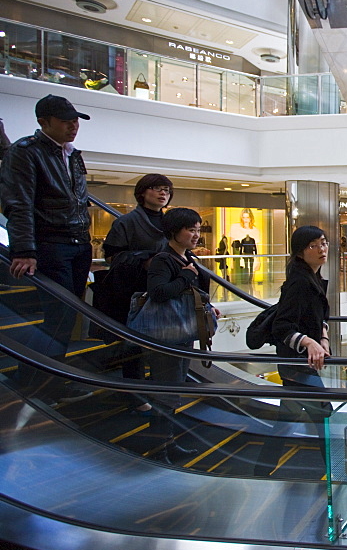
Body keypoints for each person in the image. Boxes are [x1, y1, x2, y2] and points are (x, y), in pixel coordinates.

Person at [0, 95, 94, 401]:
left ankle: (49, 377)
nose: (73, 126)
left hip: (79, 245)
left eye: (76, 120)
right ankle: (40, 382)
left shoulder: (72, 154)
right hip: (51, 245)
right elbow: (19, 203)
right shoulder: (26, 152)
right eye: (66, 121)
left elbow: (79, 200)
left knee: (67, 317)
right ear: (44, 122)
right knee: (60, 316)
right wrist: (24, 250)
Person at [254, 226, 332, 476]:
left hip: (298, 365)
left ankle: (260, 470)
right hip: (296, 365)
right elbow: (282, 327)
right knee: (325, 417)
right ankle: (334, 470)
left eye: (323, 243)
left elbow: (317, 317)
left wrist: (322, 337)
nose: (321, 249)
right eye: (314, 245)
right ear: (300, 252)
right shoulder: (299, 283)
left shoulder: (313, 277)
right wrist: (309, 342)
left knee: (286, 420)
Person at [145, 208, 220, 463]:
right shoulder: (163, 259)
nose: (196, 234)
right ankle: (159, 450)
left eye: (198, 229)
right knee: (166, 393)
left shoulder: (185, 256)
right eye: (190, 229)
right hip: (166, 337)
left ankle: (168, 443)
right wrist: (187, 276)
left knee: (173, 391)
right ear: (174, 231)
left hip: (181, 333)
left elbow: (189, 292)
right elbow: (158, 292)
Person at [96, 174, 174, 413]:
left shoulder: (169, 222)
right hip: (131, 290)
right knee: (133, 343)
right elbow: (112, 256)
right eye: (157, 189)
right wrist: (143, 260)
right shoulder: (127, 222)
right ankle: (134, 393)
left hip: (159, 289)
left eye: (166, 190)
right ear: (143, 192)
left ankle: (152, 391)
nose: (163, 194)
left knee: (159, 341)